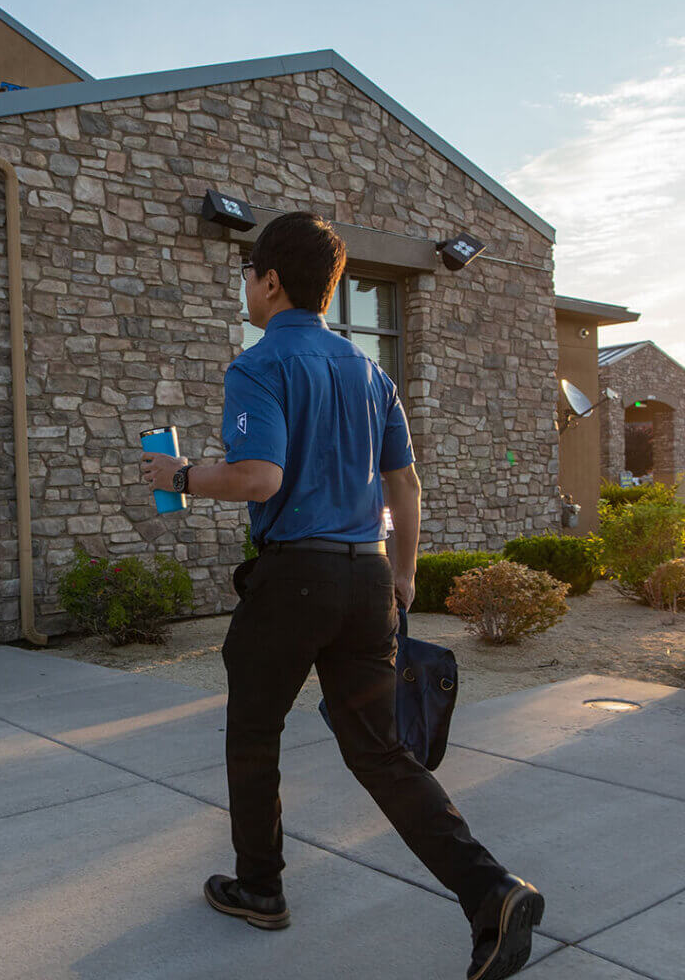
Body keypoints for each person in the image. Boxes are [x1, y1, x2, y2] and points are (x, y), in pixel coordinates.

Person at [140, 211, 545, 980]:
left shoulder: (259, 365)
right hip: (366, 574)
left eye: (248, 275)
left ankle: (260, 888)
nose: (245, 288)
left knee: (254, 735)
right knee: (382, 753)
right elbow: (404, 483)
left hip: (294, 576)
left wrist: (181, 477)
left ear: (269, 280)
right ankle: (489, 890)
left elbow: (260, 478)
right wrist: (401, 572)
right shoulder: (370, 372)